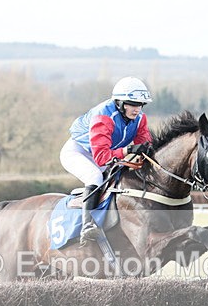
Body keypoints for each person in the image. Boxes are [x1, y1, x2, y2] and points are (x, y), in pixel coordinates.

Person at [60, 76, 156, 243]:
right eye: (132, 104)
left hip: (108, 153)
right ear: (119, 103)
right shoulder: (104, 116)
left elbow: (146, 146)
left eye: (140, 105)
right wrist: (128, 150)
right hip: (79, 152)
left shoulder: (140, 118)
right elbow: (101, 158)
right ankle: (87, 225)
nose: (137, 109)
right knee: (95, 177)